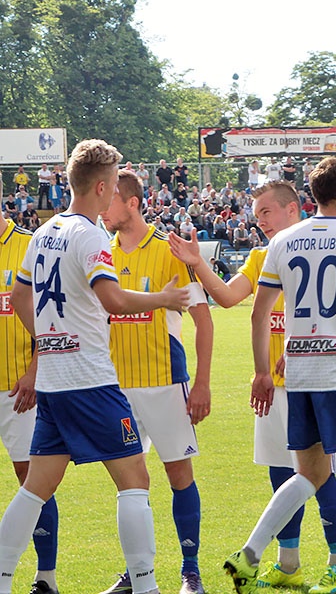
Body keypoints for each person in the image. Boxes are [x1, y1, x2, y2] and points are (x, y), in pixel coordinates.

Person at [0, 139, 190, 594]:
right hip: (89, 380)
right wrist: (164, 298)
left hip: (53, 383)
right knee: (135, 480)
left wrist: (46, 340)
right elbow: (114, 299)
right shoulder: (89, 235)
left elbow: (23, 296)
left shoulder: (45, 231)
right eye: (113, 184)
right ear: (102, 186)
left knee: (34, 488)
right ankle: (146, 586)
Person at [222, 158, 336, 594]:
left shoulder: (284, 241)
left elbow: (259, 312)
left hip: (301, 376)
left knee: (309, 474)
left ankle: (249, 555)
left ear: (312, 195)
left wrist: (261, 371)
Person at [169, 180, 336, 591]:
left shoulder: (321, 250)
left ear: (293, 210)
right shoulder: (260, 257)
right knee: (279, 471)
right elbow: (229, 297)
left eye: (267, 213)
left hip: (314, 383)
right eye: (257, 216)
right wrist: (198, 263)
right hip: (271, 386)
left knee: (322, 477)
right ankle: (289, 564)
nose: (261, 222)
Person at [99, 169, 213, 594]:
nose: (103, 207)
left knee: (179, 474)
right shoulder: (102, 252)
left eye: (110, 199)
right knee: (130, 481)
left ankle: (190, 571)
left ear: (131, 202)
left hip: (166, 381)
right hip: (116, 388)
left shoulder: (170, 251)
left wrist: (201, 383)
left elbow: (203, 320)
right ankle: (137, 572)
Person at [0, 210, 60, 594]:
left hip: (16, 391)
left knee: (33, 482)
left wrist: (36, 369)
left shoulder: (29, 244)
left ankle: (45, 578)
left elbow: (51, 316)